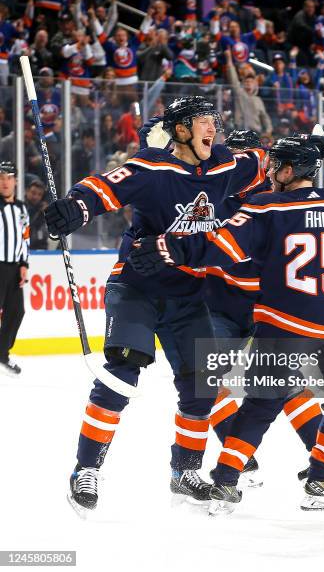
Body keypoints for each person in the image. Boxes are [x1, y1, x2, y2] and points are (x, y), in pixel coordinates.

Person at [138, 137, 324, 512]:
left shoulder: (264, 207)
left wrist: (170, 248)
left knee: (260, 405)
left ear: (288, 170)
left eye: (275, 163)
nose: (268, 170)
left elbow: (220, 245)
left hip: (284, 321)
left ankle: (225, 481)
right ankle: (322, 479)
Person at [44, 96, 267, 517]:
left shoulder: (223, 166)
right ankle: (86, 469)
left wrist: (321, 166)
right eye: (202, 121)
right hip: (136, 290)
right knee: (122, 374)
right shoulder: (151, 167)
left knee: (201, 387)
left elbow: (263, 162)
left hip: (188, 295)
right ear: (180, 130)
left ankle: (185, 471)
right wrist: (76, 206)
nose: (211, 128)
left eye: (213, 121)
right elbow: (103, 187)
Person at [0, 161, 30, 377]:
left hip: (13, 268)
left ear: (16, 181)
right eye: (1, 177)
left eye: (9, 177)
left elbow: (25, 238)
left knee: (16, 311)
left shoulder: (21, 208)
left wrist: (24, 264)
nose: (5, 181)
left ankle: (2, 353)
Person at [25, 177, 48, 250]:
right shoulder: (19, 207)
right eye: (33, 193)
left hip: (39, 249)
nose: (35, 197)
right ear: (26, 191)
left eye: (39, 194)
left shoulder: (43, 211)